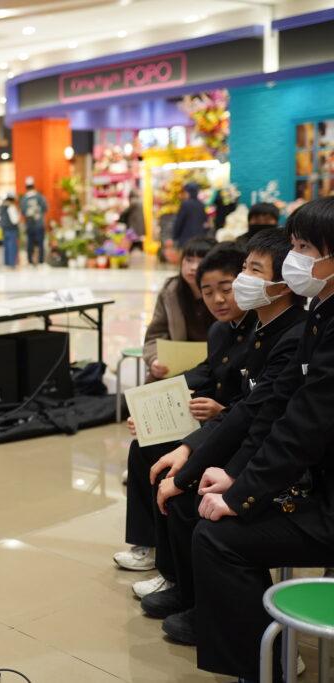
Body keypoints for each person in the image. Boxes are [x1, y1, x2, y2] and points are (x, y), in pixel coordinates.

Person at [186, 197, 334, 681]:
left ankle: (266, 668)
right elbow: (275, 409)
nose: (295, 258)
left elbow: (304, 426)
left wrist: (242, 494)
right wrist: (236, 478)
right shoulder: (320, 312)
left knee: (219, 539)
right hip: (316, 483)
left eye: (305, 247)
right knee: (211, 517)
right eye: (294, 245)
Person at [143, 228, 305, 646]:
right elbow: (245, 409)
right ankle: (189, 592)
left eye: (252, 271)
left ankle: (238, 629)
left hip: (285, 467)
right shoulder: (262, 329)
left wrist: (220, 476)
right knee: (164, 464)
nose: (241, 282)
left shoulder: (293, 334)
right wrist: (187, 449)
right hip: (253, 446)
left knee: (198, 505)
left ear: (285, 280)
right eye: (244, 268)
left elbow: (260, 418)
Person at [115, 243, 252, 575]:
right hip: (214, 420)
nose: (217, 299)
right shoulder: (220, 329)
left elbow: (258, 401)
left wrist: (220, 409)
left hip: (236, 428)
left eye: (226, 289)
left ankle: (174, 567)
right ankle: (148, 544)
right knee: (144, 444)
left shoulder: (262, 331)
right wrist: (149, 406)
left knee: (173, 463)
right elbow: (205, 371)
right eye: (208, 292)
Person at [142, 236, 216, 382]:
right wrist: (154, 360)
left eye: (201, 261)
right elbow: (154, 336)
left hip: (213, 366)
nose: (193, 267)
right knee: (149, 386)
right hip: (177, 367)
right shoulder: (170, 292)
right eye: (189, 260)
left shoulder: (223, 294)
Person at [20, 177, 48, 265]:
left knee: (30, 242)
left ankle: (30, 260)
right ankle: (40, 261)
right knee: (40, 242)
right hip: (39, 224)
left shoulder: (24, 199)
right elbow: (45, 208)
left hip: (29, 225)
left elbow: (23, 211)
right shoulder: (39, 197)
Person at [171, 182, 209, 247]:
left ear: (188, 192)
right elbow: (205, 222)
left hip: (186, 238)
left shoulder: (185, 204)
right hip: (199, 239)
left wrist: (174, 236)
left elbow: (179, 221)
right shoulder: (201, 204)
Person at [0, 193, 20, 267]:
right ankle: (12, 264)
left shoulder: (2, 206)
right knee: (12, 247)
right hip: (11, 229)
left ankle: (7, 263)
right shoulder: (11, 207)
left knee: (6, 247)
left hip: (4, 229)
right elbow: (15, 220)